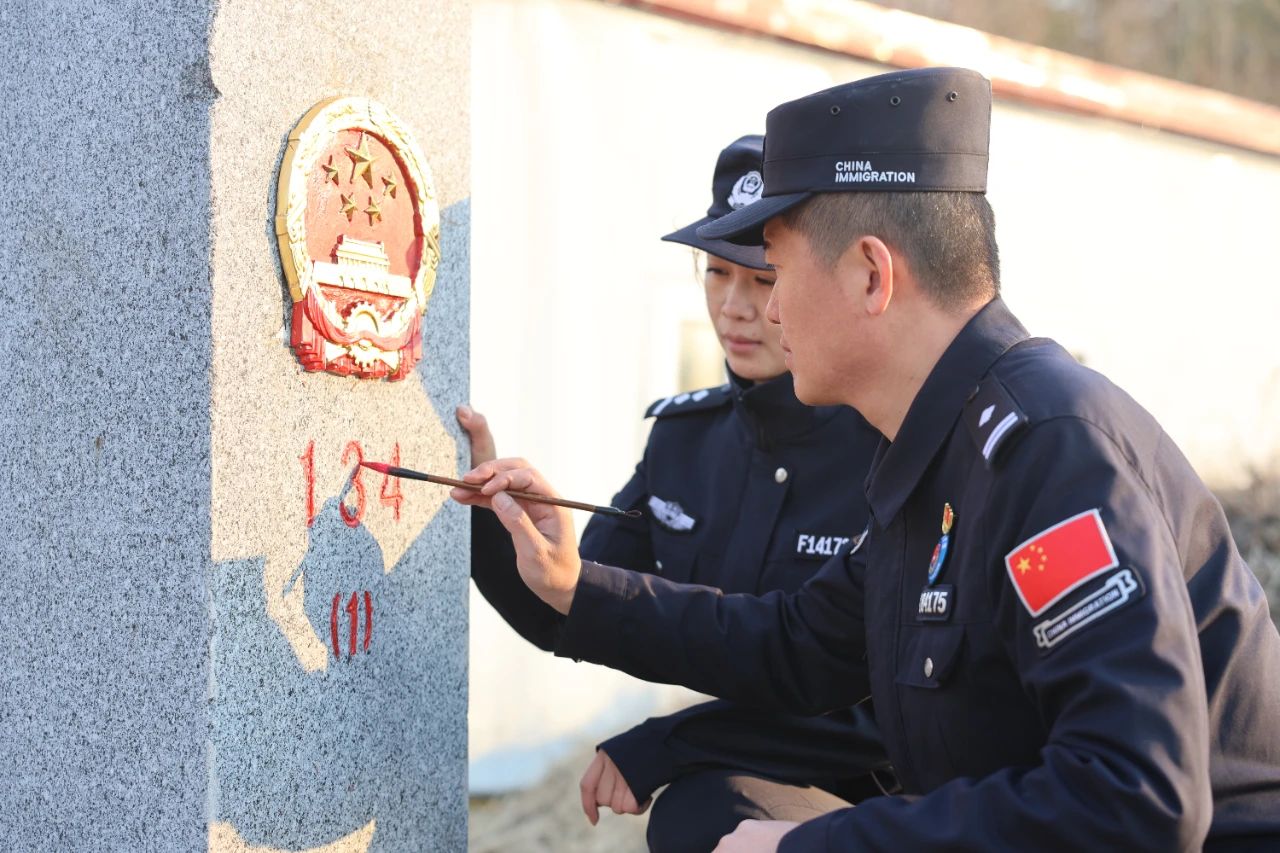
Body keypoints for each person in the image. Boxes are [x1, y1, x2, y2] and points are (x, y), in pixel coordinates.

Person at [453, 67, 1280, 851]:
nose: (766, 311)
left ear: (871, 276)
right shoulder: (935, 451)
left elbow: (1136, 796)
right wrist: (573, 584)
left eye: (775, 273)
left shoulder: (1048, 450)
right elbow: (795, 644)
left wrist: (819, 844)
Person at [460, 135, 889, 852]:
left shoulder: (885, 449)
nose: (734, 307)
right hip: (764, 782)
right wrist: (490, 516)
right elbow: (578, 607)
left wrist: (678, 740)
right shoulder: (685, 441)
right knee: (707, 807)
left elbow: (881, 710)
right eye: (717, 273)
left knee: (705, 809)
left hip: (891, 798)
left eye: (764, 279)